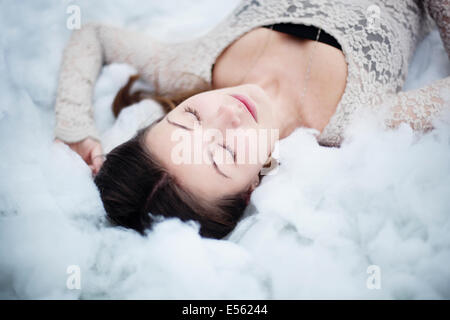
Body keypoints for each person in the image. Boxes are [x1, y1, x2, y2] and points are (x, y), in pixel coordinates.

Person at [54, 0, 450, 239]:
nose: (226, 113)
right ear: (250, 189)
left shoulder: (190, 67)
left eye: (190, 116)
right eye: (223, 151)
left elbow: (94, 36)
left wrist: (74, 126)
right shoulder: (360, 121)